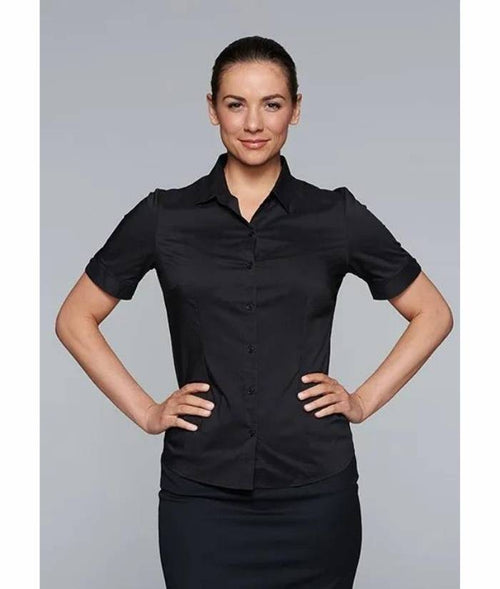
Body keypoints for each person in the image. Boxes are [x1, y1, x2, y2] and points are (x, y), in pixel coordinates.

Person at [55, 35, 453, 589]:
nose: (253, 123)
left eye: (272, 104)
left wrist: (362, 400)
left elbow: (432, 312)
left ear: (296, 109)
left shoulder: (333, 215)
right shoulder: (165, 217)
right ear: (212, 109)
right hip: (201, 494)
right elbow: (74, 318)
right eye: (235, 104)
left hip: (316, 493)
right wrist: (147, 411)